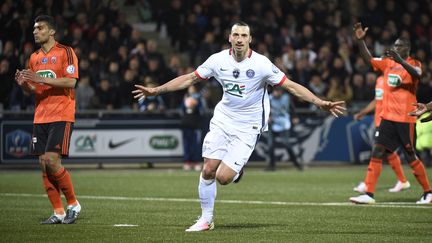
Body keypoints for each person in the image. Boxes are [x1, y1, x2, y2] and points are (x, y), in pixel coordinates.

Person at [133, 22, 345, 231]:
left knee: (223, 178)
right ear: (230, 38)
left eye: (244, 35)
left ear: (250, 39)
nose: (240, 39)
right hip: (224, 119)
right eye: (236, 35)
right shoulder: (217, 60)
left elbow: (290, 86)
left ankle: (237, 170)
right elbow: (189, 79)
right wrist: (157, 90)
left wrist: (319, 102)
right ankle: (206, 220)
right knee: (208, 170)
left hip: (249, 125)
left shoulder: (261, 64)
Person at [349, 22, 432, 204]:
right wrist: (360, 42)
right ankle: (369, 194)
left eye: (398, 46)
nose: (394, 48)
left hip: (405, 118)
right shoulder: (387, 64)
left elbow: (418, 75)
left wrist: (401, 61)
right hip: (387, 118)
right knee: (377, 151)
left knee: (410, 156)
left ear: (406, 49)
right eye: (394, 46)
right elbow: (369, 60)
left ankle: (428, 192)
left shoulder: (413, 63)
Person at [14, 15, 81, 224]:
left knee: (52, 160)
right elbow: (34, 91)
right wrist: (25, 85)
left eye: (40, 28)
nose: (35, 31)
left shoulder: (66, 52)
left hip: (62, 112)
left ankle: (73, 204)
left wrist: (41, 78)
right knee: (43, 164)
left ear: (51, 31)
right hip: (41, 114)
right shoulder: (34, 57)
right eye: (34, 28)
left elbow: (71, 82)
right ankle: (58, 211)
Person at [353, 75, 410, 193]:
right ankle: (403, 181)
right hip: (379, 121)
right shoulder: (379, 79)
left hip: (387, 120)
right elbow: (377, 100)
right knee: (388, 152)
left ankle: (367, 184)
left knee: (377, 151)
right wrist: (363, 112)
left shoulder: (392, 79)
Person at [266, 86, 303, 171]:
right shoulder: (270, 98)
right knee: (270, 145)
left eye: (277, 92)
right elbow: (266, 108)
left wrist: (294, 116)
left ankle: (297, 164)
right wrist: (269, 116)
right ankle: (271, 166)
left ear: (281, 92)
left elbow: (291, 107)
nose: (275, 93)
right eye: (274, 91)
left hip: (283, 123)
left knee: (286, 144)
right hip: (273, 122)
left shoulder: (286, 98)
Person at [180, 85, 206, 171]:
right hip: (186, 124)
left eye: (192, 89)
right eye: (189, 89)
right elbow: (181, 110)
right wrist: (185, 103)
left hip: (195, 125)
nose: (191, 90)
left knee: (195, 144)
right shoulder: (185, 98)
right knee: (186, 144)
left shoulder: (199, 98)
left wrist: (196, 104)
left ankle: (196, 162)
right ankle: (187, 162)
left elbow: (202, 110)